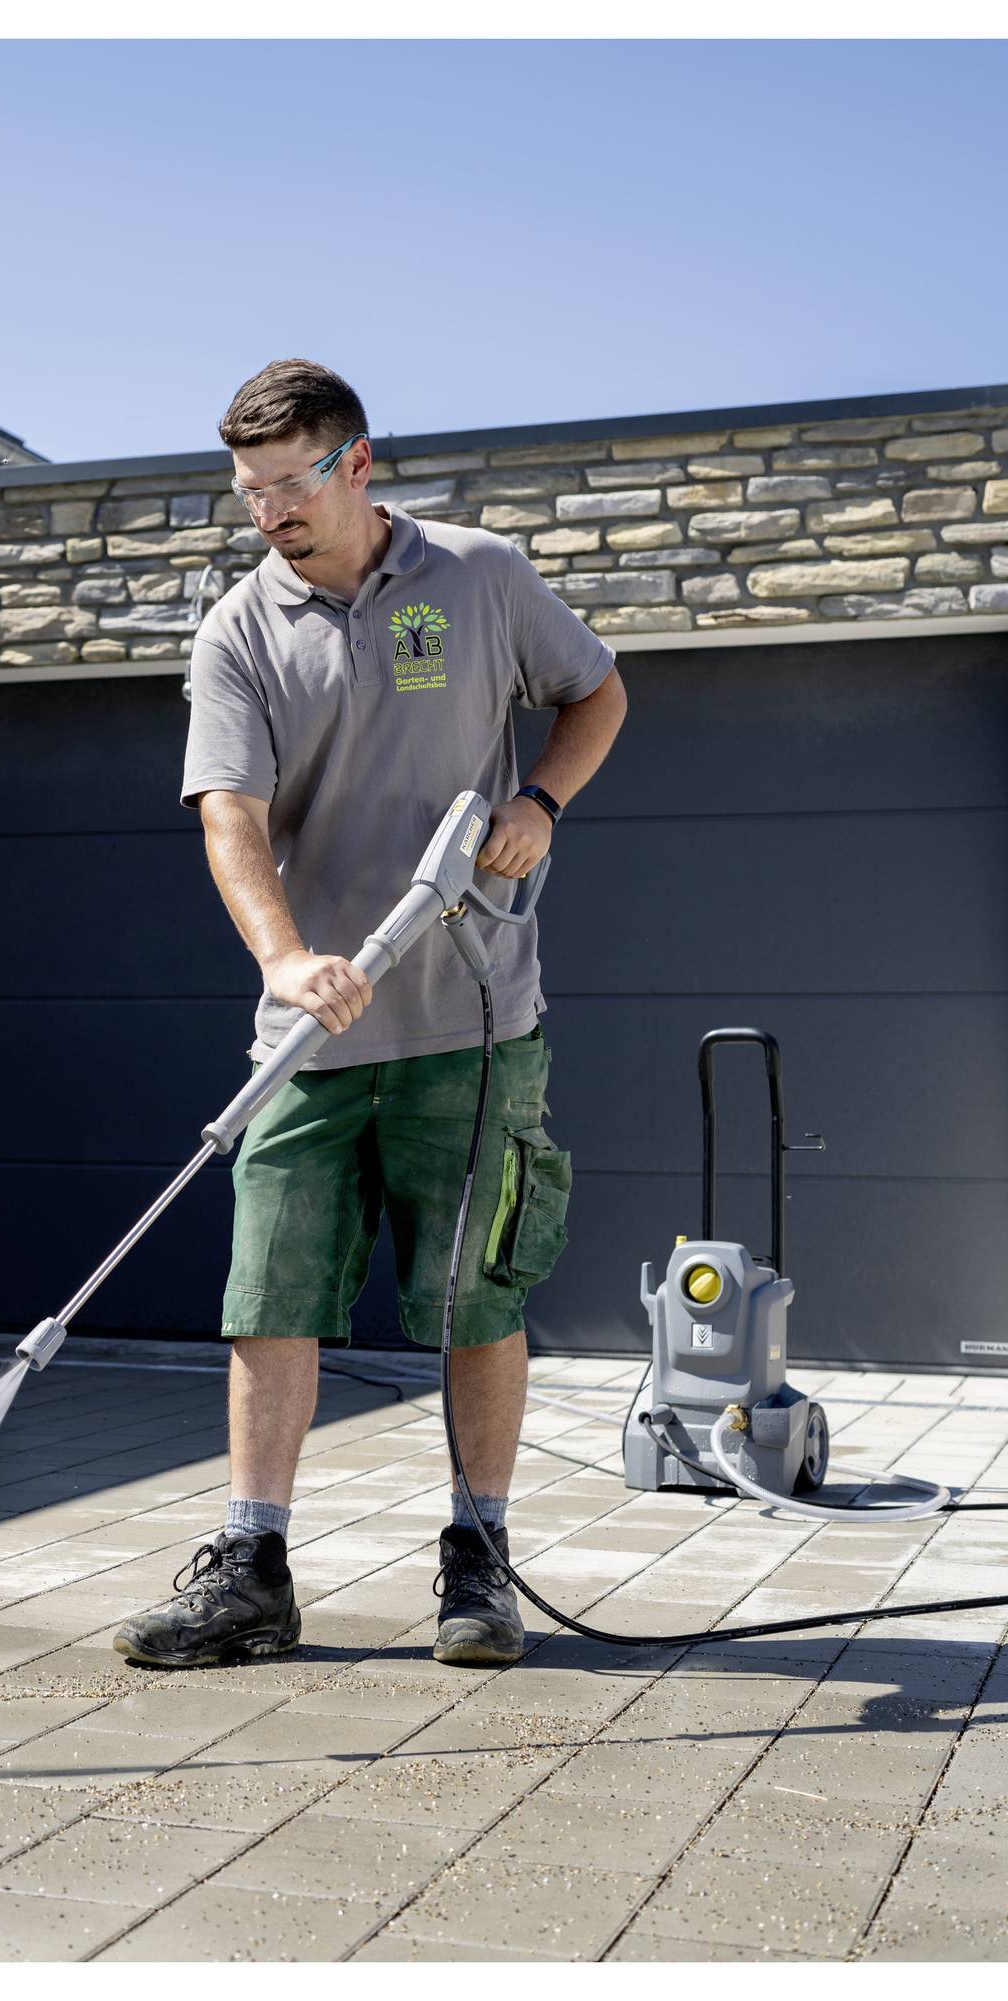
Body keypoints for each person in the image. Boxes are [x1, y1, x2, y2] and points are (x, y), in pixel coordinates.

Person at [114, 358, 628, 1671]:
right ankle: (253, 1566)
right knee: (268, 1287)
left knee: (472, 1294)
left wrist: (541, 803)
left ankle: (477, 1557)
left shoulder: (480, 577)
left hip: (474, 1016)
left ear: (358, 463)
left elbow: (597, 691)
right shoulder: (240, 628)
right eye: (250, 492)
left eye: (290, 483)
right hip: (315, 1033)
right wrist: (285, 959)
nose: (270, 511)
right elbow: (228, 813)